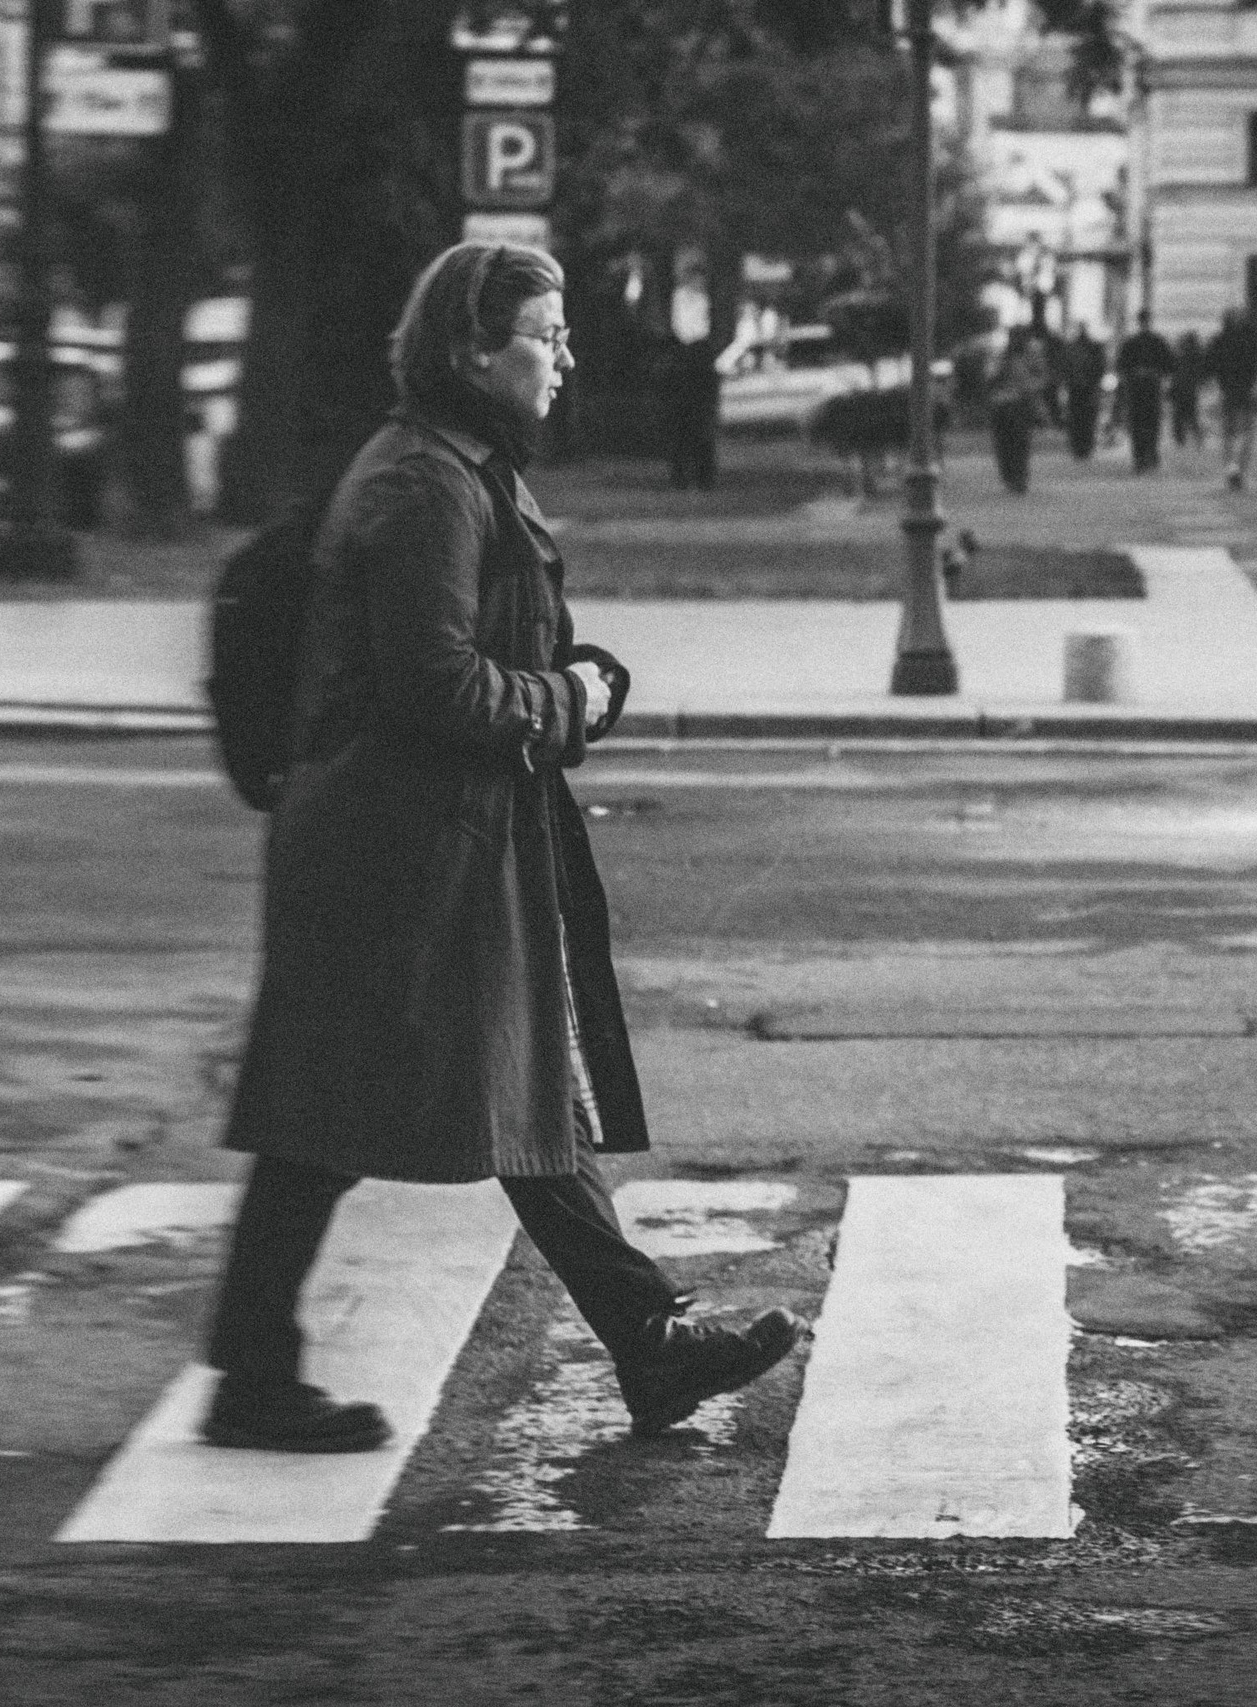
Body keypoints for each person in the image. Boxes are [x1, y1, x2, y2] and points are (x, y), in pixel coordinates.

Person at [200, 242, 806, 1453]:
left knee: (524, 1094)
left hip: (439, 839)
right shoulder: (425, 483)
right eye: (545, 335)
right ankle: (254, 1380)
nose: (566, 357)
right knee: (331, 1115)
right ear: (473, 351)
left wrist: (573, 678)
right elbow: (433, 683)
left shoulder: (463, 468)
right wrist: (567, 702)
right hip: (392, 851)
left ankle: (647, 1347)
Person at [1204, 308, 1257, 491]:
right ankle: (1239, 468)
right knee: (1246, 431)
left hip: (1228, 390)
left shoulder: (1219, 341)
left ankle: (1231, 467)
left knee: (1229, 432)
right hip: (1244, 391)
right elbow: (1255, 368)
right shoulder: (1249, 341)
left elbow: (1210, 365)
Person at [987, 324, 1050, 494]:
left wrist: (1029, 386)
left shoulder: (1032, 356)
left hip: (1021, 403)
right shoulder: (1001, 355)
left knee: (1020, 442)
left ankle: (1019, 477)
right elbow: (990, 377)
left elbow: (1042, 378)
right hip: (1002, 403)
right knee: (1004, 443)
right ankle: (1009, 476)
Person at [657, 334, 722, 491]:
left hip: (688, 413)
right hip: (699, 414)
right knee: (701, 446)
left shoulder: (681, 371)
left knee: (683, 446)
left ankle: (684, 479)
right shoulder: (707, 374)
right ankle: (702, 480)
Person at [1114, 311, 1175, 474]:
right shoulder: (1155, 341)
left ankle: (1142, 456)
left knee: (1140, 422)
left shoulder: (1134, 342)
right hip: (1148, 387)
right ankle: (1147, 455)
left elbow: (1121, 365)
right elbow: (1169, 364)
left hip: (1139, 387)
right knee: (1149, 421)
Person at [1058, 325, 1106, 461]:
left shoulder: (1072, 348)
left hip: (1076, 388)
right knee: (1087, 418)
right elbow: (1100, 368)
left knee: (1077, 418)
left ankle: (1079, 447)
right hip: (1087, 388)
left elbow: (1065, 368)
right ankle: (1085, 447)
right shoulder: (1094, 348)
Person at [1169, 331, 1204, 450]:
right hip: (1189, 390)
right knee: (1191, 415)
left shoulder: (1181, 356)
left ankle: (1180, 439)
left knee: (1180, 416)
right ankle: (1195, 436)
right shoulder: (1196, 357)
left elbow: (1175, 374)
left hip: (1181, 389)